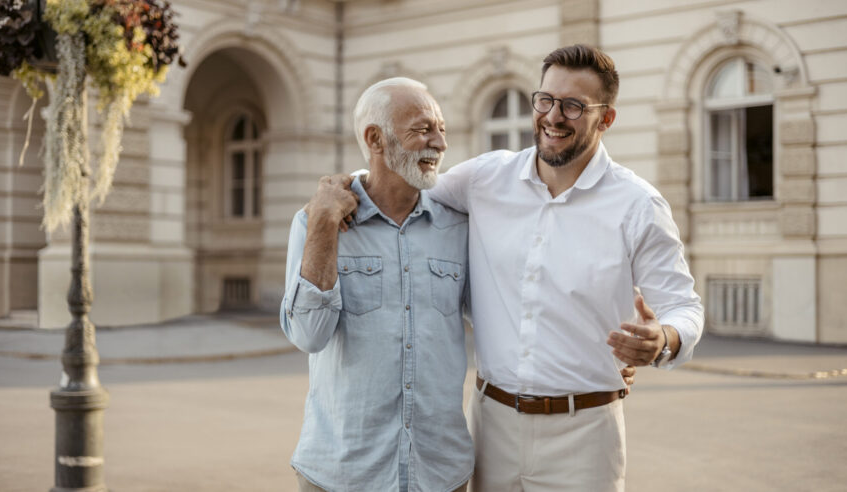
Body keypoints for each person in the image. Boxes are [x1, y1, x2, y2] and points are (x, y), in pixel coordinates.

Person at [425, 44, 704, 492]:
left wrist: (663, 340)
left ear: (606, 119)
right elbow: (407, 194)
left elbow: (683, 307)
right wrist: (343, 191)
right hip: (490, 425)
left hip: (586, 436)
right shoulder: (483, 180)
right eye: (546, 100)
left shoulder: (638, 205)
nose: (554, 116)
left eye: (573, 106)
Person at [279, 77, 474, 492]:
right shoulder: (314, 221)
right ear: (376, 139)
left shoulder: (459, 227)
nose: (439, 143)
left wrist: (595, 356)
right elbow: (308, 335)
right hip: (342, 474)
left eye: (442, 129)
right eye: (423, 129)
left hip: (440, 474)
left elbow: (508, 319)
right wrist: (323, 226)